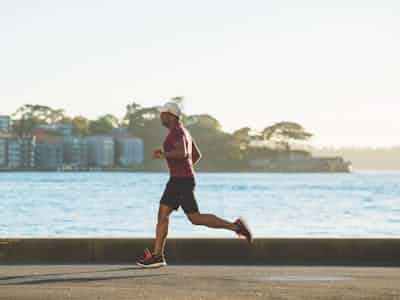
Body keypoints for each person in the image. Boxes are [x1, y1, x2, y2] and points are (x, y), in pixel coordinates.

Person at [136, 102, 252, 268]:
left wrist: (164, 155)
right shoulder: (183, 131)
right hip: (179, 179)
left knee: (194, 218)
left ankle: (236, 227)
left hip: (180, 181)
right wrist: (185, 169)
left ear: (171, 115)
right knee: (165, 215)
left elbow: (183, 153)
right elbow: (195, 155)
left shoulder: (177, 132)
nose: (160, 116)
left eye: (163, 113)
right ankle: (157, 256)